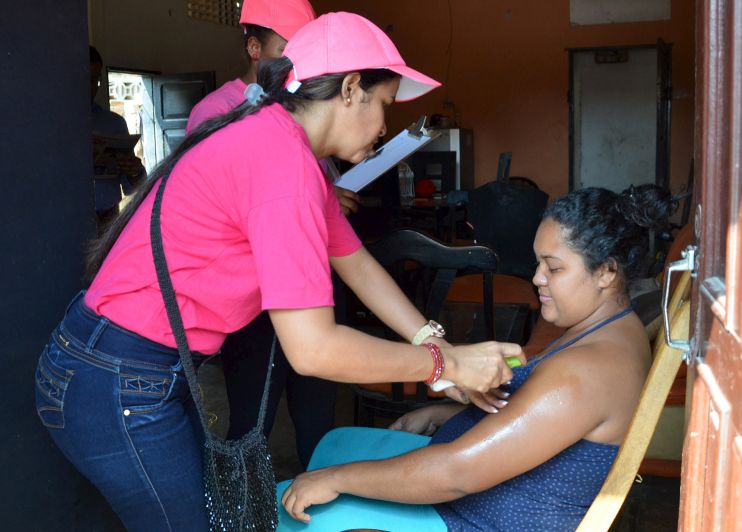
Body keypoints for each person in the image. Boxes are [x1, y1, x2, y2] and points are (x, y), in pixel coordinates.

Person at [34, 12, 521, 531]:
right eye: (384, 105)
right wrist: (445, 368)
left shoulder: (285, 149)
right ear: (352, 89)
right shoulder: (281, 165)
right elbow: (314, 350)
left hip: (126, 372)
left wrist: (438, 346)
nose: (385, 128)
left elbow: (355, 263)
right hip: (118, 379)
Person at [279, 185, 674, 531]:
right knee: (331, 458)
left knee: (304, 501)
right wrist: (446, 416)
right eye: (539, 263)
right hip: (472, 500)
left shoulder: (590, 371)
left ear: (606, 272)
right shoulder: (610, 329)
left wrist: (336, 479)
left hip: (474, 519)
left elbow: (456, 473)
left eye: (553, 268)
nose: (537, 278)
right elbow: (539, 423)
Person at [187, 0, 359, 469]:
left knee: (317, 410)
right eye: (287, 52)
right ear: (254, 47)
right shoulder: (216, 112)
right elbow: (235, 203)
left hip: (314, 278)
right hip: (257, 298)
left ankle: (318, 496)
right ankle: (245, 511)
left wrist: (327, 200)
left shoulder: (302, 113)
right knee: (252, 420)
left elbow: (313, 200)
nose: (297, 67)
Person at [90, 45, 144, 233]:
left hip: (108, 217)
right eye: (85, 79)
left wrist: (135, 171)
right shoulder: (55, 124)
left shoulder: (114, 123)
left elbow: (132, 186)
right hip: (67, 216)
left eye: (95, 80)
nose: (90, 87)